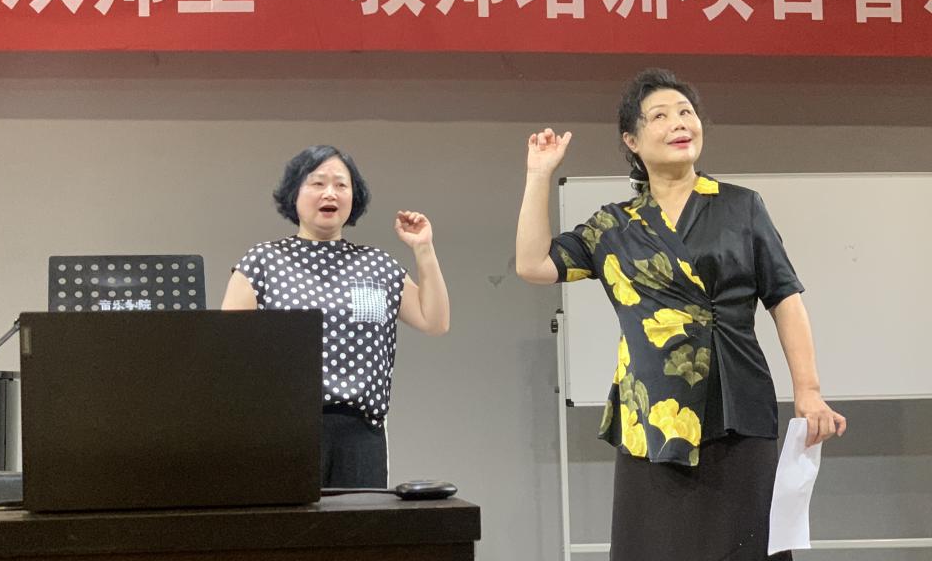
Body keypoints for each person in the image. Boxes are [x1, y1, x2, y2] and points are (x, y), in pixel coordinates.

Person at [515, 68, 846, 561]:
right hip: (652, 417)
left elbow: (784, 297)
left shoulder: (741, 206)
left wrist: (809, 390)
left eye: (686, 112)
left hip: (738, 406)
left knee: (743, 548)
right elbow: (533, 264)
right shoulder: (615, 225)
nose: (679, 123)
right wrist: (538, 175)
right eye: (660, 116)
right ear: (631, 140)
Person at [221, 144, 450, 489]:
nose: (330, 193)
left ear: (353, 198)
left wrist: (423, 249)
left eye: (341, 185)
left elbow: (435, 321)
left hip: (362, 432)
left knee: (359, 521)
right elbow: (227, 350)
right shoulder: (262, 261)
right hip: (283, 431)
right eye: (317, 183)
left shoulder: (378, 265)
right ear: (294, 194)